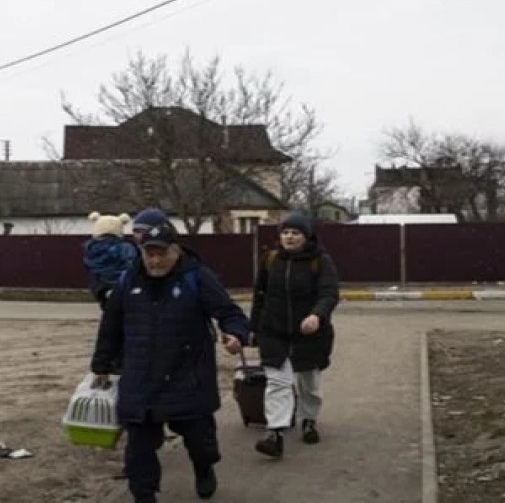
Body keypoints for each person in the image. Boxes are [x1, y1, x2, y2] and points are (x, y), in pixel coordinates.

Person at [91, 220, 250, 503]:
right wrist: (101, 365)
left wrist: (235, 333)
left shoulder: (196, 276)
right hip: (141, 378)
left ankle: (204, 468)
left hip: (187, 376)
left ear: (176, 250)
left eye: (161, 252)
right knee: (139, 450)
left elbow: (229, 312)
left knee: (201, 443)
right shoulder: (129, 280)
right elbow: (111, 325)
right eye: (148, 253)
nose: (154, 260)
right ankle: (144, 496)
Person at [248, 211, 340, 458]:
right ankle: (275, 433)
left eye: (295, 233)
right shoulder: (270, 259)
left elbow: (329, 294)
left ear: (306, 236)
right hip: (274, 330)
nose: (289, 237)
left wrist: (316, 316)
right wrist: (252, 329)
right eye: (286, 232)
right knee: (277, 382)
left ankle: (308, 420)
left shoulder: (320, 261)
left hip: (309, 333)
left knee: (308, 383)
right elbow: (259, 295)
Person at [82, 211, 138, 307]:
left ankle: (105, 295)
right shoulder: (124, 247)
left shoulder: (91, 247)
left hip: (100, 282)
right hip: (120, 280)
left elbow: (88, 263)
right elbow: (131, 260)